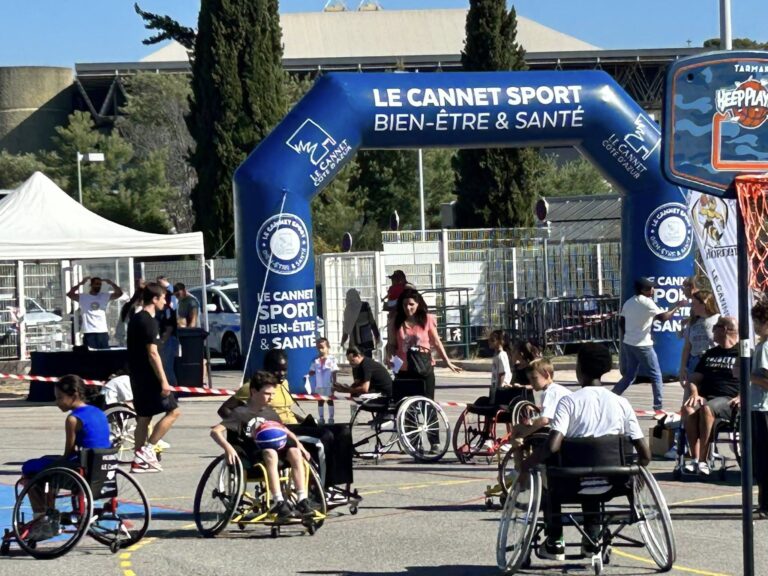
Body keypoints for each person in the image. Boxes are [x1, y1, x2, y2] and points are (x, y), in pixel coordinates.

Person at [522, 343, 651, 560]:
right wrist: (635, 472)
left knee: (554, 474)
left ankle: (555, 540)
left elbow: (552, 446)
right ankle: (592, 540)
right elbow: (645, 454)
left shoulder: (569, 402)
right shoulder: (622, 403)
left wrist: (528, 463)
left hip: (571, 482)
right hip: (615, 481)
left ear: (579, 369)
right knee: (595, 474)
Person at [210, 370, 315, 521]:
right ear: (253, 391)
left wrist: (299, 445)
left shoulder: (270, 412)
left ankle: (302, 499)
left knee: (294, 452)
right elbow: (215, 432)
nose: (271, 397)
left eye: (273, 394)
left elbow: (283, 429)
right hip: (251, 457)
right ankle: (278, 502)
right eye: (267, 394)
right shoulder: (241, 413)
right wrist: (228, 448)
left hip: (271, 453)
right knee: (270, 453)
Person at [21, 374, 111, 540]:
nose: (57, 402)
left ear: (74, 395)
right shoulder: (98, 412)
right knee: (46, 460)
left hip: (80, 471)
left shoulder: (73, 419)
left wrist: (55, 461)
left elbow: (67, 454)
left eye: (60, 398)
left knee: (29, 469)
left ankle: (42, 518)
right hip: (102, 468)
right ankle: (47, 509)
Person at [127, 283, 181, 473]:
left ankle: (138, 459)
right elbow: (153, 353)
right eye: (163, 298)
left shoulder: (137, 318)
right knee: (174, 412)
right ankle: (148, 450)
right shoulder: (147, 321)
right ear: (155, 299)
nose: (165, 302)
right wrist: (164, 381)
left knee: (144, 417)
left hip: (137, 376)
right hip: (149, 377)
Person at [612, 277, 688, 410]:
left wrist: (628, 335)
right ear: (643, 290)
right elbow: (663, 317)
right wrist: (677, 306)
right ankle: (658, 406)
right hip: (643, 345)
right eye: (650, 288)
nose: (653, 290)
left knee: (630, 375)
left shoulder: (629, 302)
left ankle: (612, 396)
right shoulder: (647, 303)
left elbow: (621, 322)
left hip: (629, 343)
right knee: (656, 374)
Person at [681, 316, 740, 476]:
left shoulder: (742, 353)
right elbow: (694, 379)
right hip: (706, 396)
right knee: (688, 408)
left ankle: (703, 461)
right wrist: (694, 392)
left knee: (707, 408)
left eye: (715, 327)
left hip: (728, 399)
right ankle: (695, 460)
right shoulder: (710, 353)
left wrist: (742, 396)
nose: (712, 330)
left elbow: (751, 379)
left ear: (725, 329)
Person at [504, 358, 572, 482]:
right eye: (530, 379)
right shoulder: (560, 389)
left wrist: (524, 433)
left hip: (555, 434)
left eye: (534, 378)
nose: (532, 382)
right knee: (525, 428)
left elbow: (544, 420)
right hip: (566, 430)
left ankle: (519, 471)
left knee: (517, 430)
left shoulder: (550, 392)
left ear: (546, 374)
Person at [390, 288, 462, 399]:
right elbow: (392, 346)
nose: (408, 308)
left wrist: (447, 362)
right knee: (403, 407)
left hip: (423, 368)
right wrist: (393, 366)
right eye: (405, 305)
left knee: (427, 404)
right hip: (403, 370)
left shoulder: (427, 319)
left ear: (418, 304)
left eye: (411, 304)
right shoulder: (396, 321)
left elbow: (436, 342)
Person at [67, 276, 124, 349]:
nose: (98, 286)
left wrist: (111, 283)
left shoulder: (104, 296)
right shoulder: (83, 297)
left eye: (100, 284)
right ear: (91, 285)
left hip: (102, 331)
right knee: (91, 357)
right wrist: (81, 283)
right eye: (96, 284)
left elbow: (119, 293)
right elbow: (70, 294)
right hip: (89, 331)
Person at [679, 290, 720, 386]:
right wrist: (682, 368)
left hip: (712, 362)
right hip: (695, 361)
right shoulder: (692, 322)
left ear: (704, 304)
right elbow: (687, 347)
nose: (692, 307)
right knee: (690, 396)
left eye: (694, 304)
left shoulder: (718, 319)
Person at [750, 300, 768, 519]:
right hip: (759, 406)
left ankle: (765, 505)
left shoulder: (764, 348)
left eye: (760, 322)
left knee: (763, 458)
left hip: (762, 406)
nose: (755, 326)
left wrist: (748, 374)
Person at [340, 289, 380, 358]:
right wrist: (377, 336)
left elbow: (346, 331)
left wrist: (342, 342)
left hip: (354, 344)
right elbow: (372, 322)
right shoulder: (365, 306)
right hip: (366, 341)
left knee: (356, 365)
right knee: (367, 364)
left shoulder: (347, 311)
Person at [308, 337, 339, 424]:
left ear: (328, 347)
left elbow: (334, 372)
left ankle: (331, 418)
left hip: (328, 384)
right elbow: (312, 371)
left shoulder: (332, 359)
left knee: (329, 400)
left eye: (322, 347)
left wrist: (334, 383)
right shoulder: (315, 360)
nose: (320, 350)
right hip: (319, 385)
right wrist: (309, 374)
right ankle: (321, 418)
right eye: (318, 348)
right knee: (320, 401)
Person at [157, 294, 179, 386]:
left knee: (167, 367)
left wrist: (162, 341)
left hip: (168, 340)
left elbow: (169, 328)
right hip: (164, 340)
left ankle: (173, 389)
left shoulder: (167, 310)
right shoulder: (162, 310)